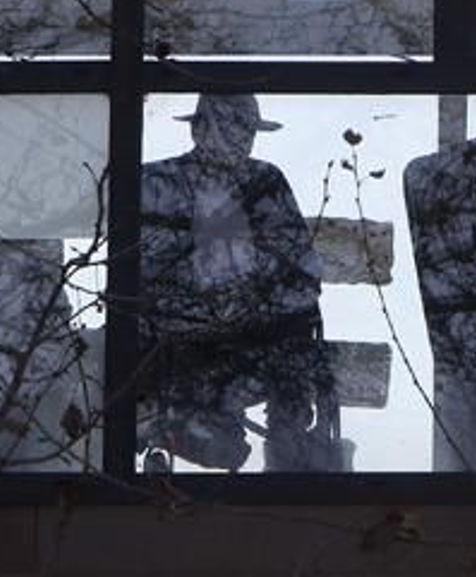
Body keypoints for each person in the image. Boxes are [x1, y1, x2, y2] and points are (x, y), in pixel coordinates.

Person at [138, 93, 339, 471]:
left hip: (257, 340)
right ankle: (202, 435)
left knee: (291, 357)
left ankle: (286, 462)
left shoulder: (266, 182)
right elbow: (141, 277)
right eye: (231, 128)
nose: (241, 139)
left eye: (247, 131)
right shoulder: (156, 183)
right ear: (198, 130)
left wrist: (253, 306)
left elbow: (303, 274)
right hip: (178, 343)